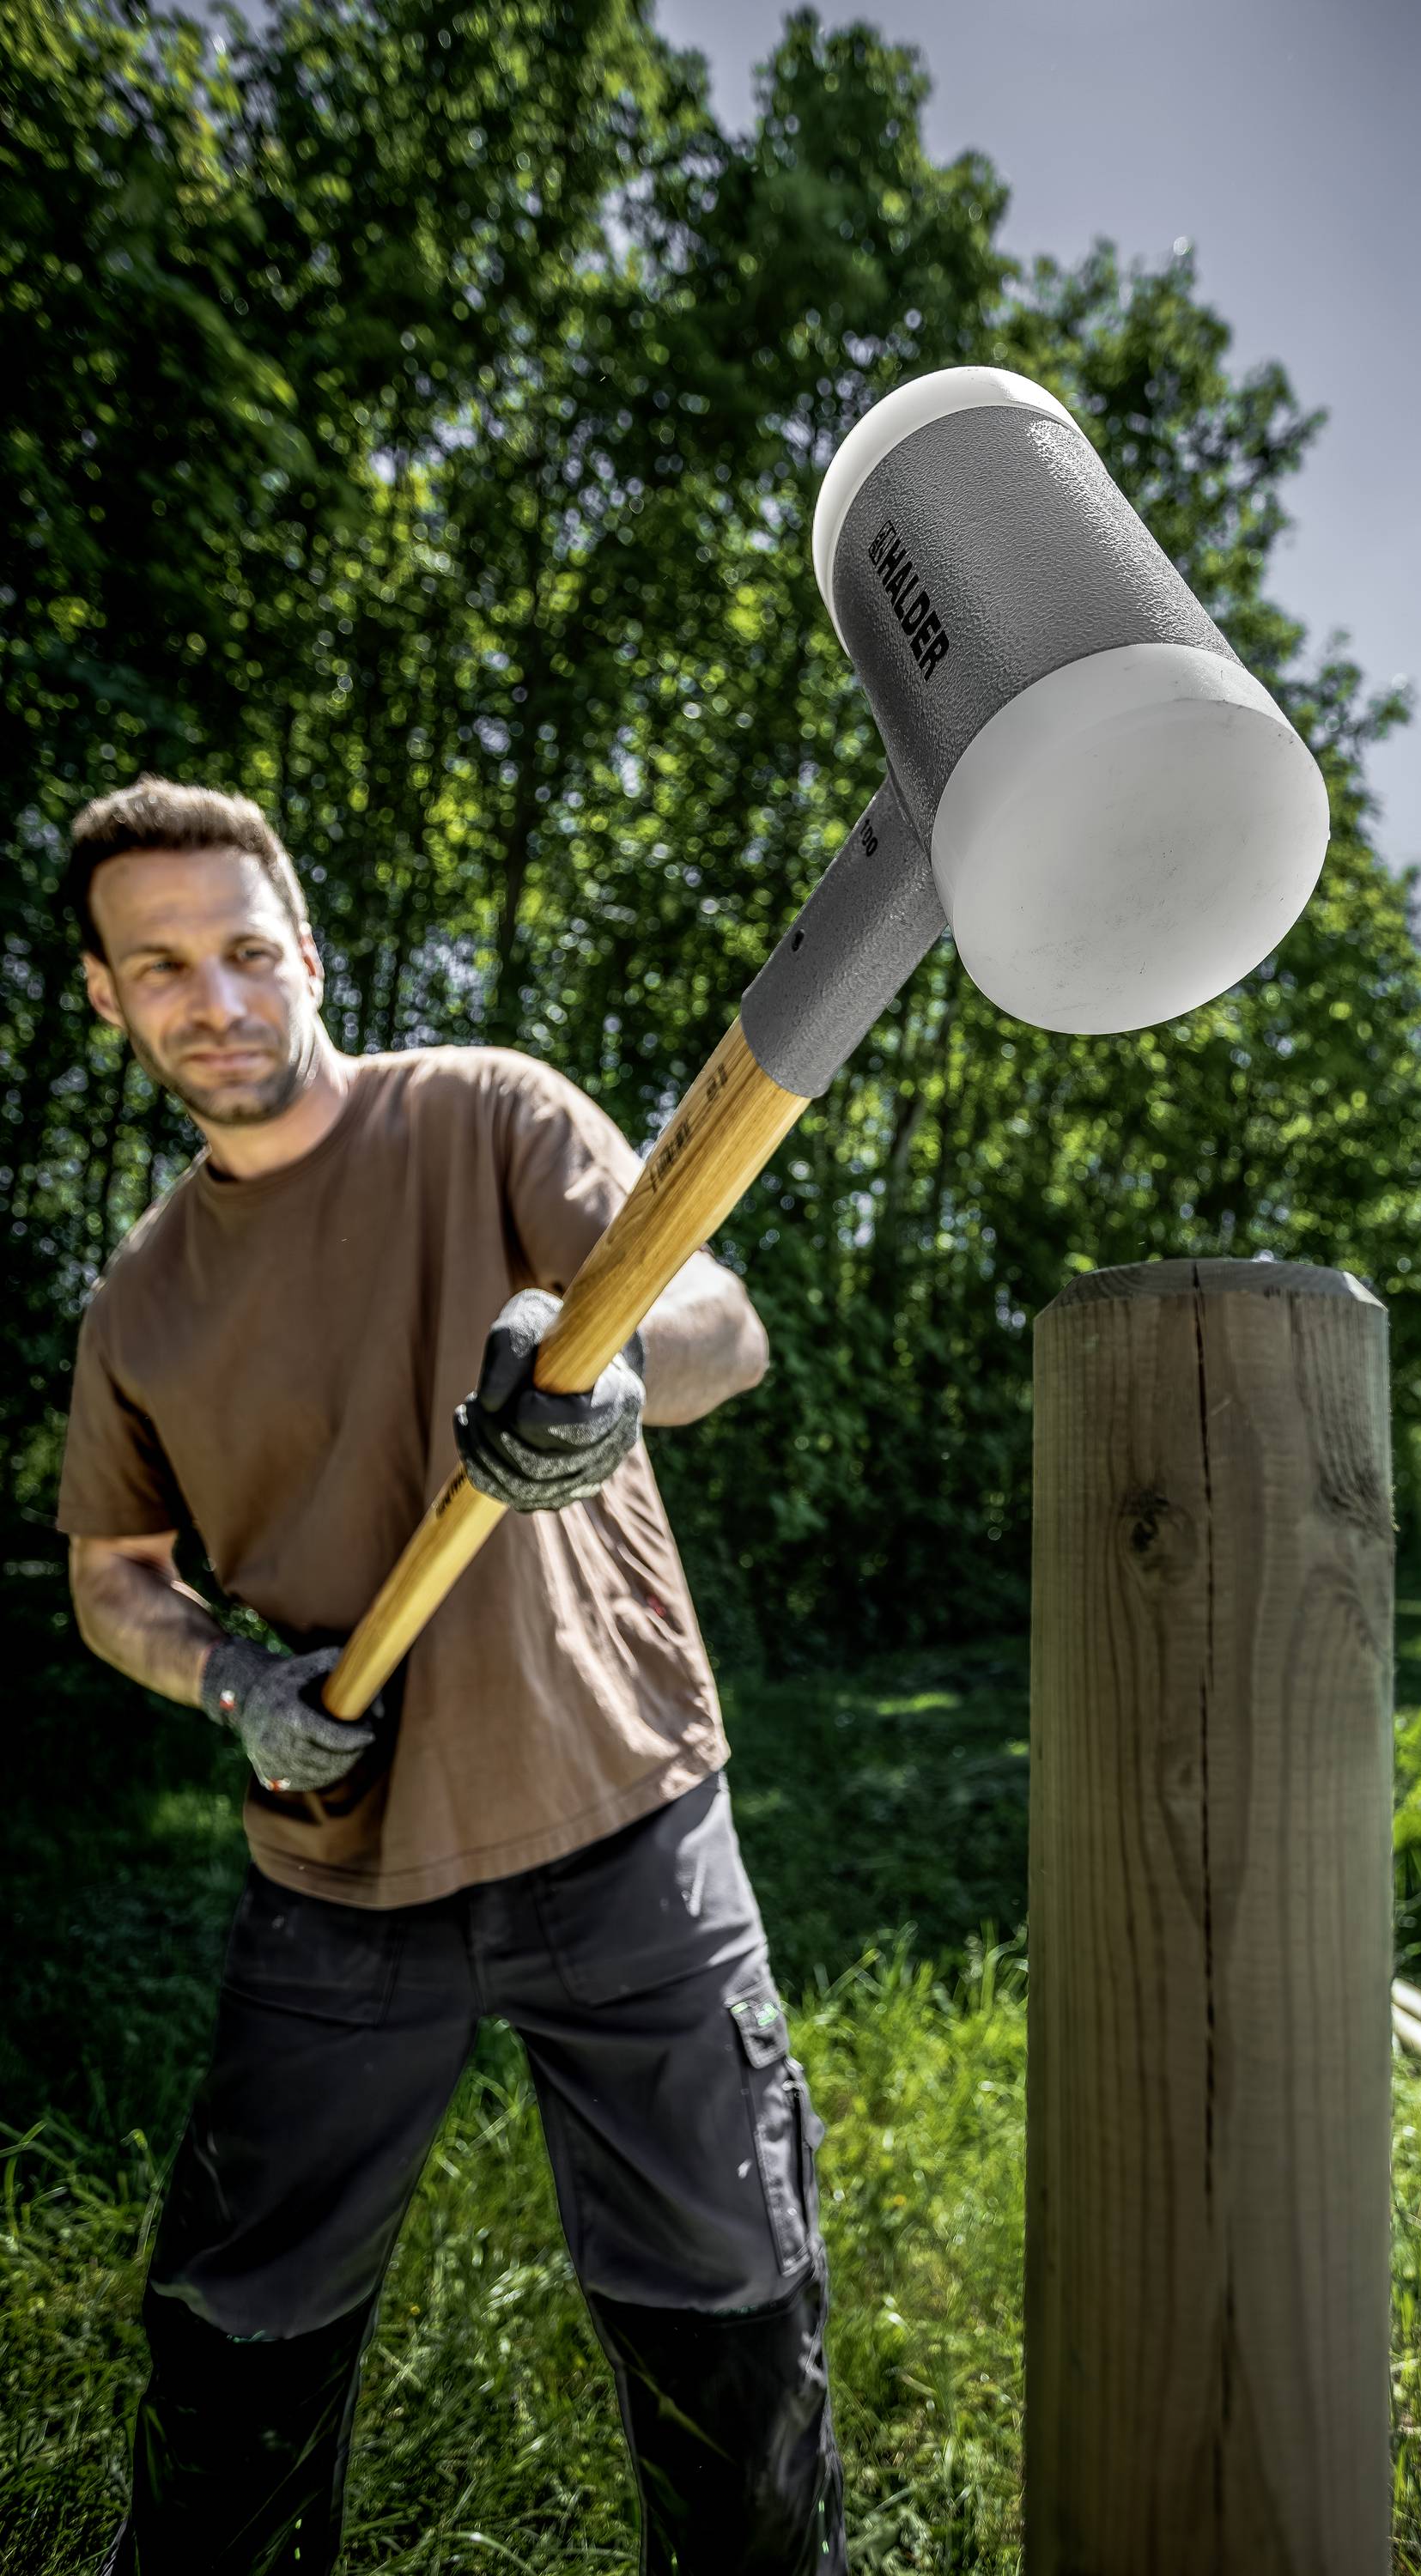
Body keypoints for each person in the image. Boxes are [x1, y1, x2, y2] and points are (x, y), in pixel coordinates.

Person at [55, 776, 844, 2574]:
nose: (220, 996)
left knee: (729, 2315)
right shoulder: (142, 1306)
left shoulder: (481, 1114)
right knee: (230, 2341)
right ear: (108, 996)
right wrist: (232, 1686)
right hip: (335, 1873)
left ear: (307, 950)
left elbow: (720, 1316)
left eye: (249, 948)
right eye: (163, 964)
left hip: (617, 1817)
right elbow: (114, 1578)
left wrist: (611, 1370)